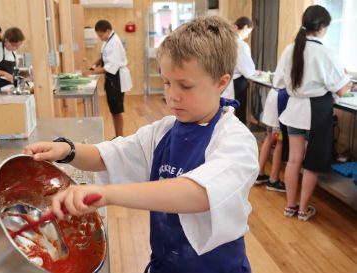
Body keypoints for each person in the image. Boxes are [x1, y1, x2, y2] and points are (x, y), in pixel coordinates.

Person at [24, 16, 259, 273]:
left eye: (186, 86)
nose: (172, 95)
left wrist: (107, 195)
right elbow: (108, 155)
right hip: (165, 265)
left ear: (221, 83)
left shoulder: (236, 141)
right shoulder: (163, 132)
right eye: (167, 82)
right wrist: (66, 150)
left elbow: (199, 194)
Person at [278, 5, 351, 221]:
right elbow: (341, 88)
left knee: (293, 160)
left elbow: (279, 81)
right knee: (312, 164)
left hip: (294, 109)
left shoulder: (290, 49)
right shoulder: (325, 52)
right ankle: (303, 210)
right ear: (322, 27)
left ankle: (290, 206)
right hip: (317, 111)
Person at [83, 20, 132, 138]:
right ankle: (117, 136)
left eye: (101, 35)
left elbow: (110, 67)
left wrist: (90, 72)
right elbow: (103, 57)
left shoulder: (114, 42)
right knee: (113, 110)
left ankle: (119, 138)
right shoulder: (108, 40)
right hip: (112, 78)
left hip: (116, 78)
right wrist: (93, 66)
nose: (100, 38)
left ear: (108, 31)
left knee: (117, 110)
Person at [255, 49, 291, 192]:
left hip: (274, 96)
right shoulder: (298, 51)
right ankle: (273, 179)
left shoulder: (289, 48)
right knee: (279, 141)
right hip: (280, 100)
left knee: (269, 137)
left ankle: (259, 173)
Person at [222, 16, 256, 125]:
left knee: (224, 113)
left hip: (225, 81)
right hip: (237, 83)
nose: (248, 35)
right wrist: (254, 72)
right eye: (249, 32)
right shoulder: (241, 45)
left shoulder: (225, 41)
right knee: (239, 113)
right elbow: (247, 70)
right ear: (245, 28)